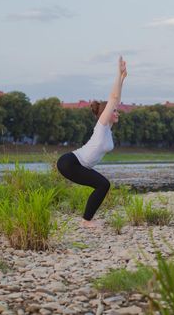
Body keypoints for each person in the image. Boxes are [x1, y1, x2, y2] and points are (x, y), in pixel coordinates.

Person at [56, 56, 127, 228]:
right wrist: (118, 74)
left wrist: (123, 78)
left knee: (102, 184)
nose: (118, 113)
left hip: (75, 164)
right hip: (71, 162)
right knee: (103, 184)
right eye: (115, 111)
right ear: (106, 112)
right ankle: (86, 221)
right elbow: (113, 97)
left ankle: (87, 220)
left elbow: (116, 99)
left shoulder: (107, 129)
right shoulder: (101, 125)